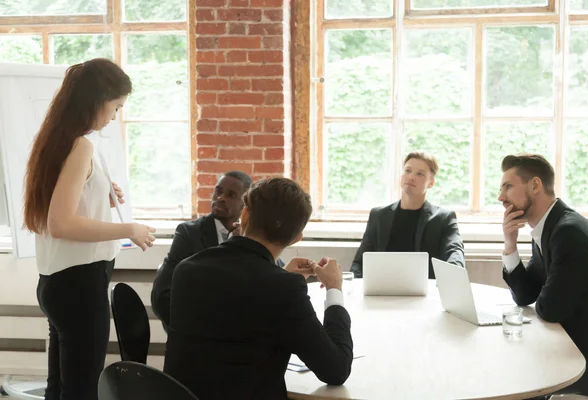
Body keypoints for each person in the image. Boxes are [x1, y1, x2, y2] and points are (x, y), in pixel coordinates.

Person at [23, 58, 156, 400]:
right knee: (81, 390)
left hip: (58, 283)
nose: (115, 116)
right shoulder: (80, 145)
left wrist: (99, 193)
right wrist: (129, 228)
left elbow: (59, 210)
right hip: (79, 285)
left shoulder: (56, 139)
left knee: (61, 388)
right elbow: (62, 223)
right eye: (116, 107)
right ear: (98, 100)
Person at [164, 178, 353, 399]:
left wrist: (280, 275)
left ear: (244, 216)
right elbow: (336, 369)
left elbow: (236, 303)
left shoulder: (187, 269)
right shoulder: (284, 289)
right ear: (296, 239)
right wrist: (334, 289)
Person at [499, 154, 588, 397]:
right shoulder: (549, 228)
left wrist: (544, 296)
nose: (501, 197)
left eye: (508, 187)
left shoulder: (568, 233)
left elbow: (551, 308)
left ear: (535, 185)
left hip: (587, 363)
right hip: (570, 349)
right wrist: (510, 245)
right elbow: (525, 294)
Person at [151, 171, 285, 329]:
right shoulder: (189, 233)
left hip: (242, 332)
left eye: (231, 195)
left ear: (247, 205)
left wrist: (248, 241)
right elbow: (162, 296)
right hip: (196, 333)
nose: (221, 198)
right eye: (218, 191)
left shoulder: (253, 234)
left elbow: (277, 275)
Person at [351, 151, 465, 279]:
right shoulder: (378, 216)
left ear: (431, 183)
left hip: (425, 293)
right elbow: (359, 264)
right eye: (408, 170)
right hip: (381, 291)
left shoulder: (443, 218)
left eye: (420, 174)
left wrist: (453, 276)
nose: (411, 177)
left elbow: (455, 252)